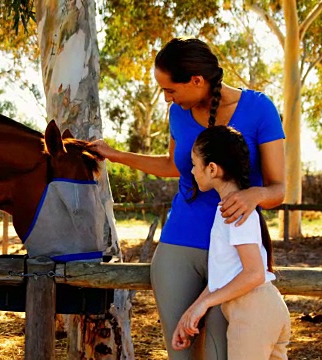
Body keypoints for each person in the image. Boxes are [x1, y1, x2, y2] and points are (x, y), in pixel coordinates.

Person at [89, 37, 285, 359]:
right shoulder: (178, 115)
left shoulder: (259, 108)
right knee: (181, 352)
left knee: (221, 353)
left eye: (171, 89)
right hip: (177, 246)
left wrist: (255, 195)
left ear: (197, 80)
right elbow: (172, 165)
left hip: (233, 254)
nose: (167, 98)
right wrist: (115, 154)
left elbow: (279, 189)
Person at [172, 125, 290, 359]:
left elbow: (254, 274)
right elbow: (221, 276)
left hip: (253, 312)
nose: (193, 171)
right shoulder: (229, 208)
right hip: (261, 310)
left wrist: (204, 305)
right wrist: (191, 312)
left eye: (195, 164)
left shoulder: (235, 211)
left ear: (212, 169)